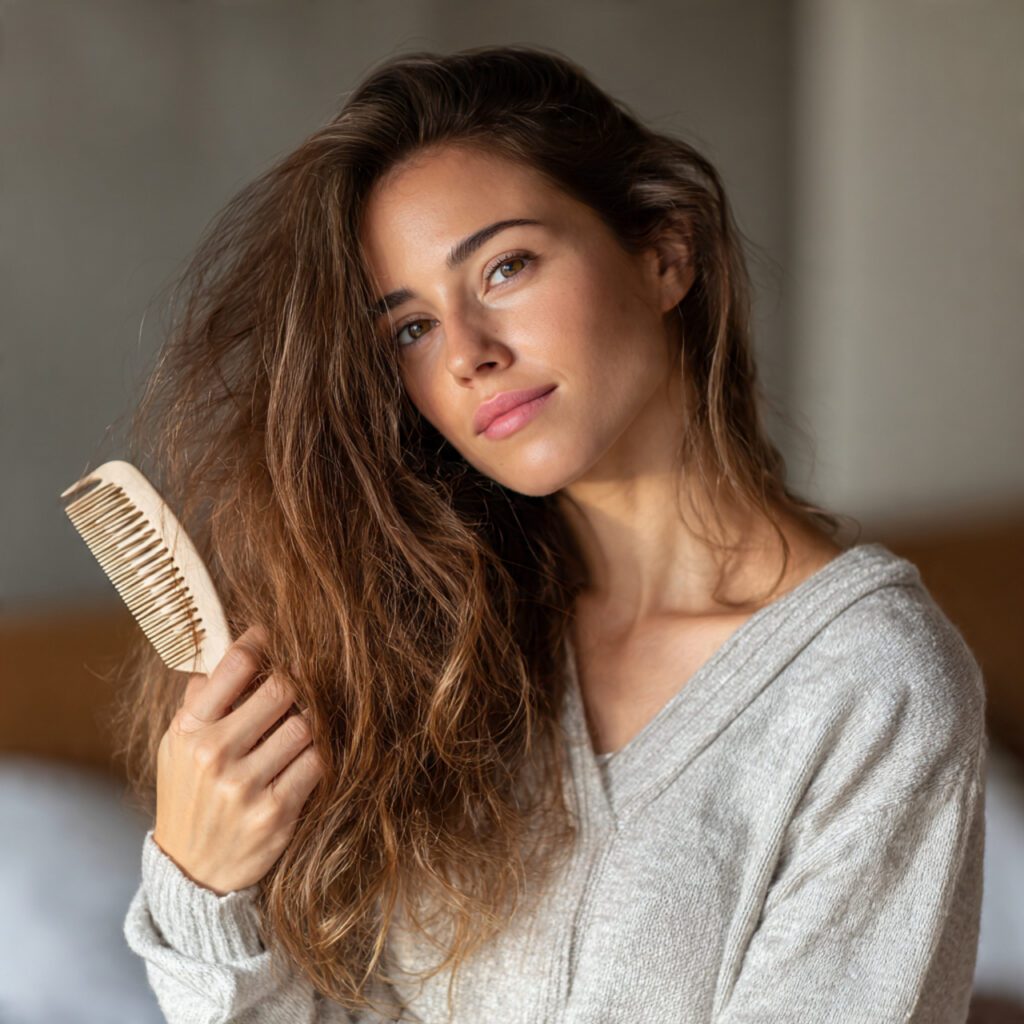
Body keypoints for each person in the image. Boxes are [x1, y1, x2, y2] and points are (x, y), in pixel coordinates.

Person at [119, 45, 987, 1023]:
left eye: (505, 267)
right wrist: (203, 891)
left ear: (665, 254)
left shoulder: (872, 687)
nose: (467, 355)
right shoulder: (442, 654)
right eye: (410, 329)